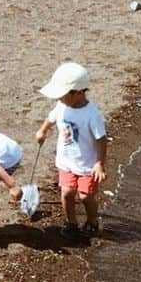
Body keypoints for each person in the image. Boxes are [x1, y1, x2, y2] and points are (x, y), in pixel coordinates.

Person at [35, 62, 108, 239]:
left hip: (87, 164)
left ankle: (92, 221)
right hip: (67, 161)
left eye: (62, 94)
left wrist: (99, 164)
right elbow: (51, 119)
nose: (58, 99)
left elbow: (101, 139)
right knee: (67, 193)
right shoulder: (62, 106)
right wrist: (43, 131)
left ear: (79, 92)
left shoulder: (92, 114)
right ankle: (71, 223)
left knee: (85, 196)